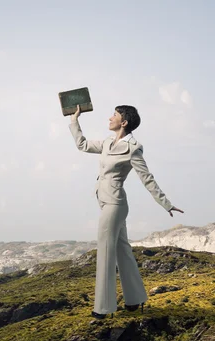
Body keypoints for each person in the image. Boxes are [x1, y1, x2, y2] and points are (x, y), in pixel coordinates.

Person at [68, 104, 184, 319]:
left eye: (114, 115)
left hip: (115, 204)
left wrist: (166, 204)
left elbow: (147, 178)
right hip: (103, 200)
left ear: (124, 122)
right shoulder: (106, 143)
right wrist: (75, 121)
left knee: (105, 250)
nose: (109, 118)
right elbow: (82, 145)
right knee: (122, 250)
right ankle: (135, 299)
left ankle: (103, 308)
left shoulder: (133, 147)